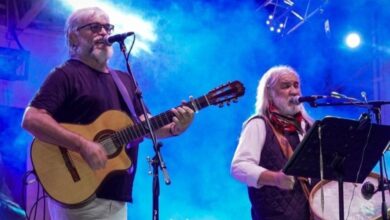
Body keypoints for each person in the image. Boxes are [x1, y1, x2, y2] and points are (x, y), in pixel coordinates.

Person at [21, 7, 194, 220]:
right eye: (94, 27)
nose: (103, 33)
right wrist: (82, 144)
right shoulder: (65, 75)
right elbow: (32, 118)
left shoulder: (124, 80)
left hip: (116, 195)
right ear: (73, 36)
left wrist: (176, 127)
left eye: (107, 27)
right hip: (78, 191)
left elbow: (145, 123)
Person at [231, 65, 314, 220]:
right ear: (270, 93)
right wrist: (275, 178)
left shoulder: (309, 127)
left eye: (296, 85)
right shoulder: (258, 124)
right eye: (286, 86)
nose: (294, 91)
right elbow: (239, 167)